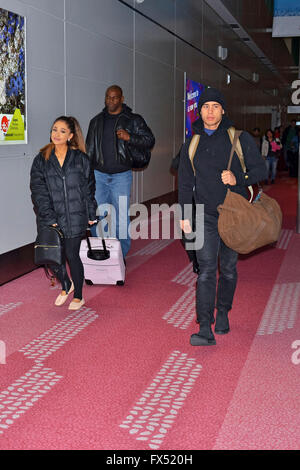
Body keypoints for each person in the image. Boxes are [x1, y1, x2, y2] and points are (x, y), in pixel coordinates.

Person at [178, 87, 267, 346]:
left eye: (215, 106)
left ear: (223, 110)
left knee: (227, 268)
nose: (210, 111)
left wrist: (238, 178)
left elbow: (260, 169)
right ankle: (204, 326)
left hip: (234, 214)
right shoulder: (192, 143)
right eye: (206, 106)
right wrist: (185, 215)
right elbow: (185, 182)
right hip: (204, 215)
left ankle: (223, 311)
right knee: (206, 270)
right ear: (200, 110)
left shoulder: (239, 138)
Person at [30, 116, 97, 310]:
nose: (56, 134)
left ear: (70, 135)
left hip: (75, 216)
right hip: (50, 216)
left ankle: (78, 296)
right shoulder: (41, 159)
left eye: (61, 131)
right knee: (51, 256)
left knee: (71, 254)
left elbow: (88, 189)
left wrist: (91, 213)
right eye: (54, 130)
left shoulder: (80, 159)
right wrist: (48, 217)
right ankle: (65, 283)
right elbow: (38, 191)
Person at [86, 85, 155, 259]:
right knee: (98, 213)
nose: (111, 100)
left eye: (115, 97)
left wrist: (130, 137)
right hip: (99, 175)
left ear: (122, 99)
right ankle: (101, 250)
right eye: (108, 97)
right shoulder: (96, 121)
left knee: (121, 215)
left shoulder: (133, 120)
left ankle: (120, 254)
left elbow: (149, 140)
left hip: (121, 176)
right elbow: (90, 149)